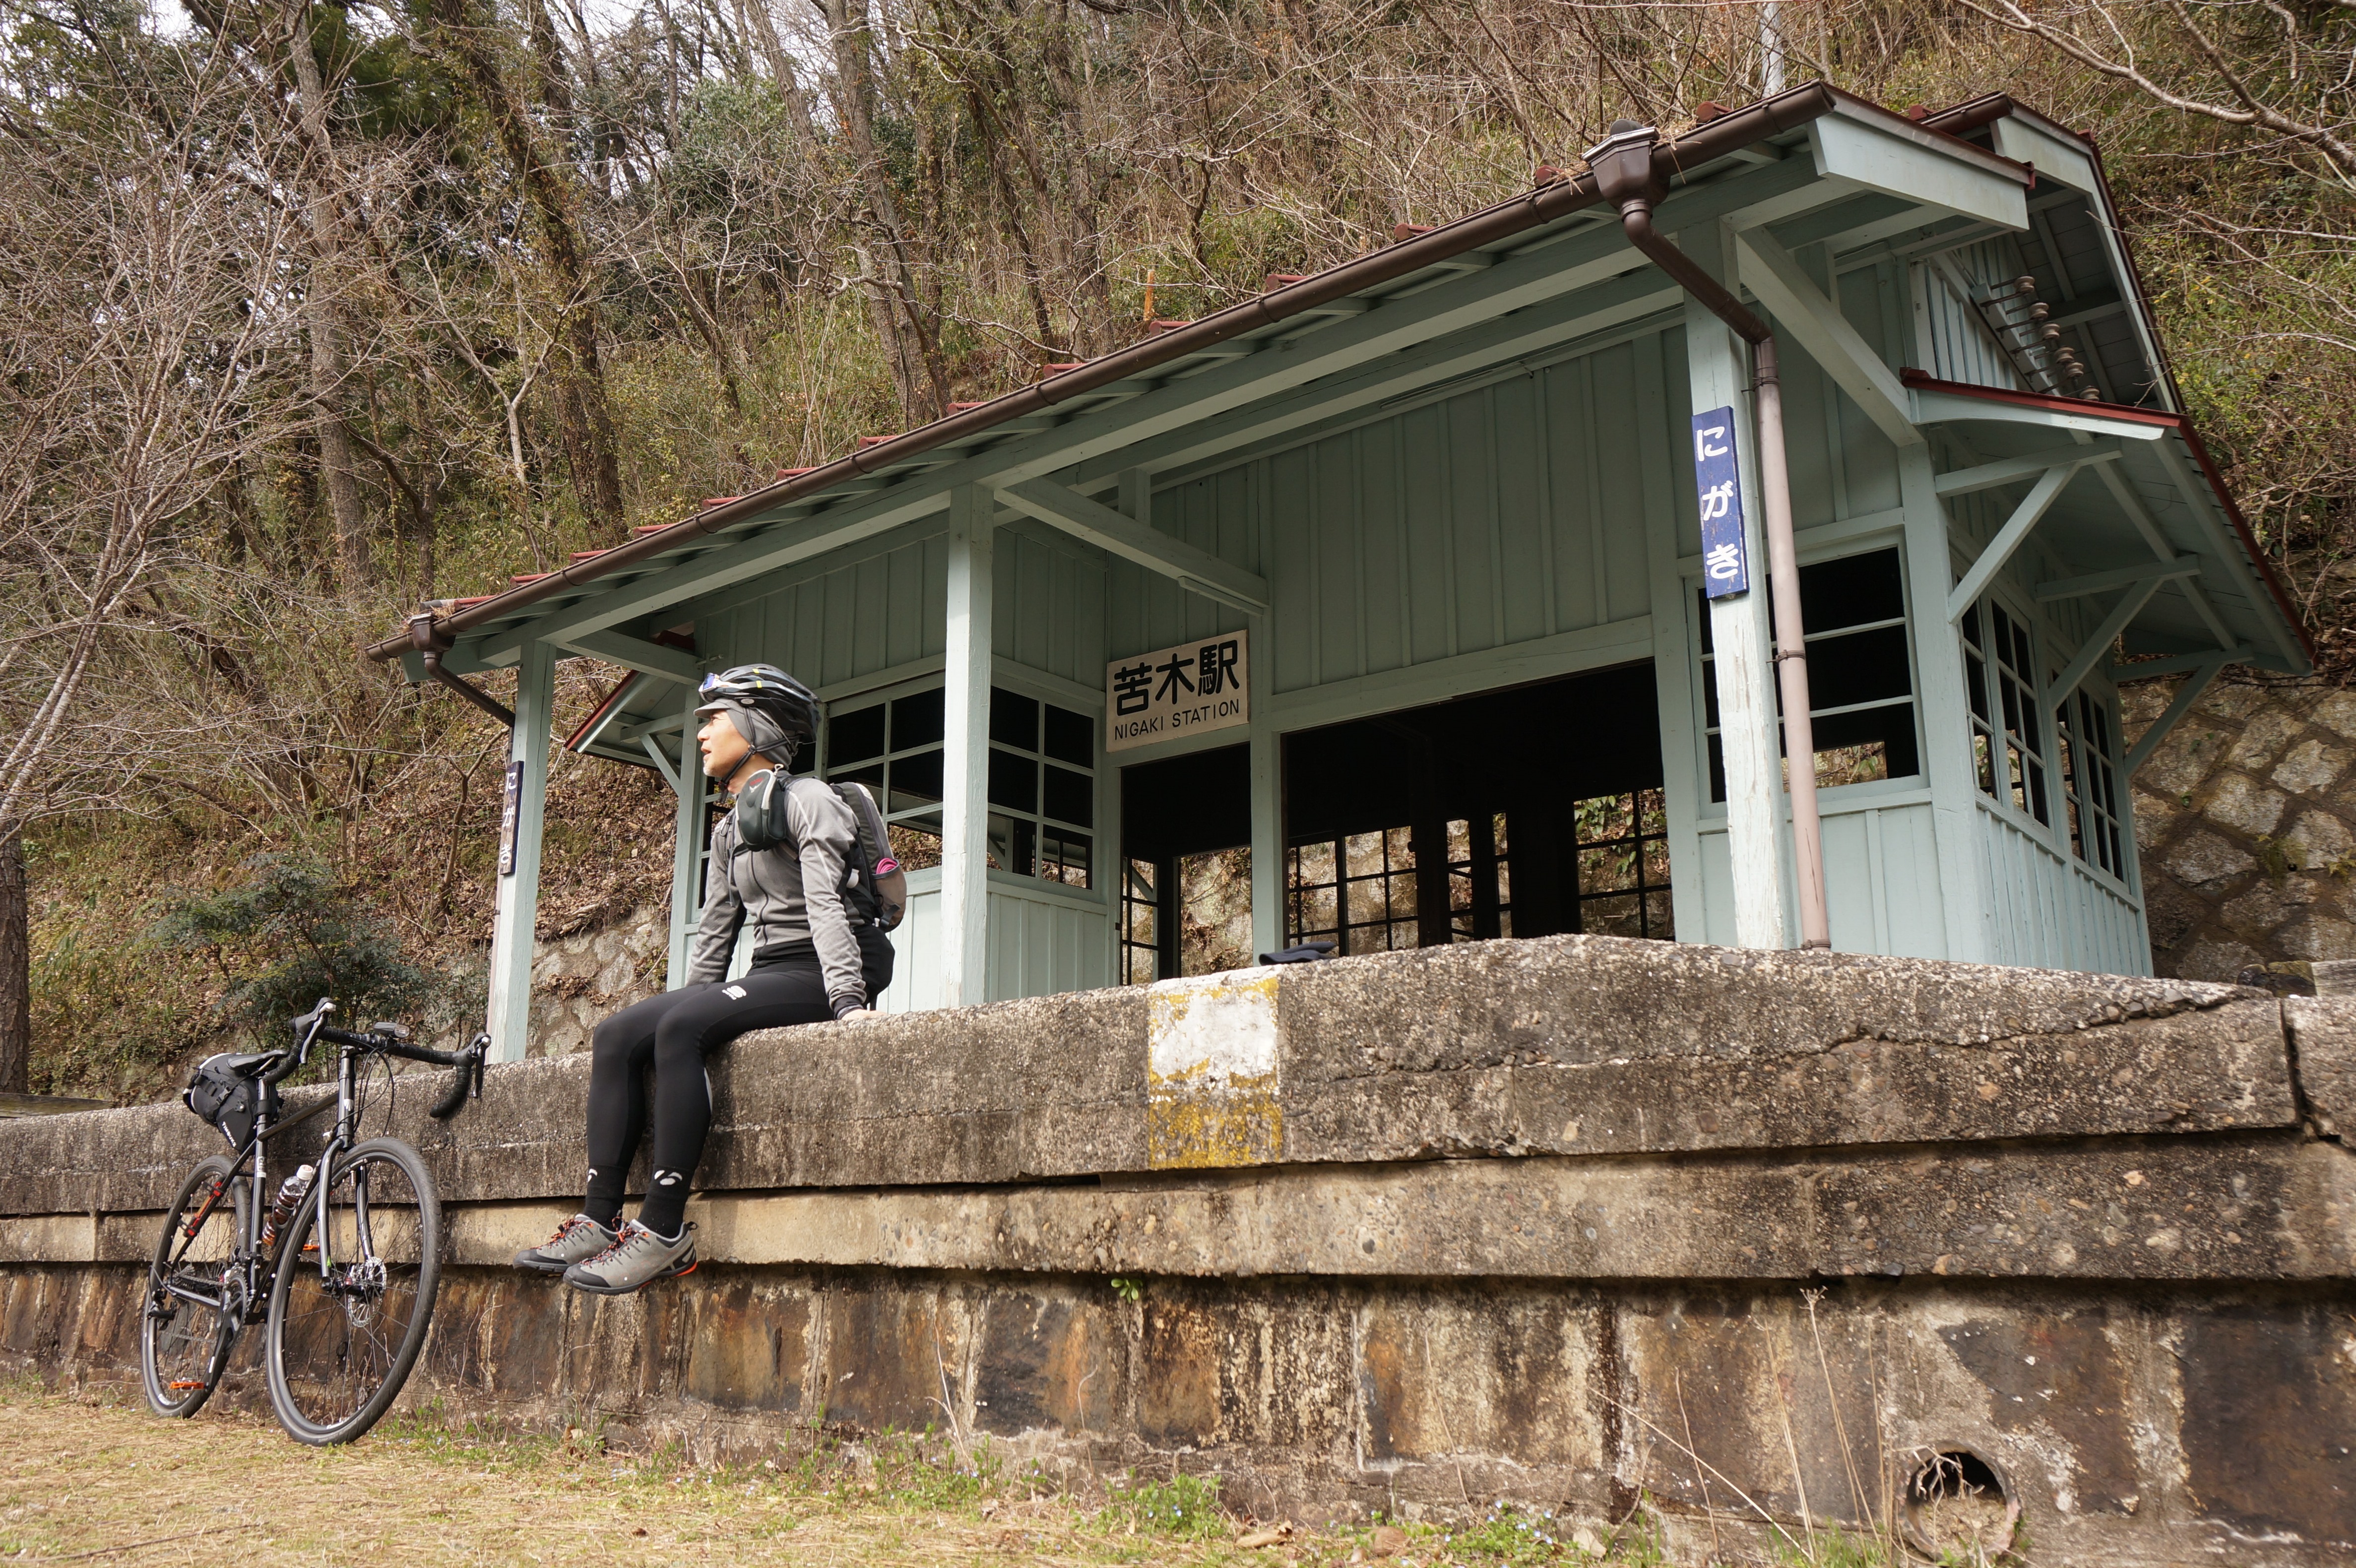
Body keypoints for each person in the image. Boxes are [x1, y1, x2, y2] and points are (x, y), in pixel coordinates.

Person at [513, 663, 893, 1295]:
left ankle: (663, 1229)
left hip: (827, 967)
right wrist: (687, 1001)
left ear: (757, 724)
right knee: (615, 1033)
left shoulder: (810, 801)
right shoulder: (728, 828)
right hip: (773, 969)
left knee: (684, 1025)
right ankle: (599, 1217)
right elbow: (717, 933)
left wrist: (848, 1002)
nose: (703, 733)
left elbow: (828, 905)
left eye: (715, 719)